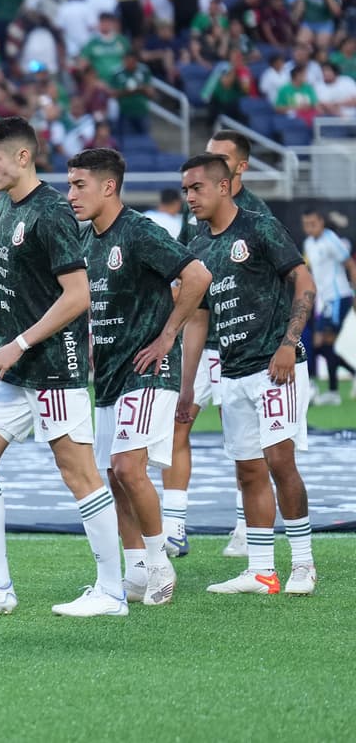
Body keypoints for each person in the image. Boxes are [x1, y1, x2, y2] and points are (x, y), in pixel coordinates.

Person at [0, 117, 125, 617]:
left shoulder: (52, 213)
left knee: (79, 473)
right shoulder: (7, 206)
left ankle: (112, 592)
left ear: (24, 157)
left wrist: (16, 343)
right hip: (11, 363)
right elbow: (18, 288)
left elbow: (77, 295)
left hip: (52, 364)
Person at [67, 148, 211, 606]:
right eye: (70, 185)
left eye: (79, 185)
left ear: (109, 186)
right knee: (115, 474)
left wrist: (168, 335)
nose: (71, 195)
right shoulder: (88, 241)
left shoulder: (140, 230)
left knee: (131, 467)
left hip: (148, 371)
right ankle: (134, 571)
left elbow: (198, 274)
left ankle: (160, 562)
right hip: (108, 374)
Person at [179, 153, 318, 596]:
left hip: (276, 367)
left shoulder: (259, 226)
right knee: (248, 471)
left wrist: (287, 344)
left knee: (280, 462)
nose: (190, 197)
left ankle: (303, 564)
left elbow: (304, 282)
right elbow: (198, 318)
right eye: (185, 190)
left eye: (197, 188)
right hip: (231, 371)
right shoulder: (198, 247)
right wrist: (187, 386)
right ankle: (261, 570)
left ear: (224, 186)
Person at [168, 129, 274, 558]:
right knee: (179, 420)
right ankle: (174, 526)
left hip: (241, 348)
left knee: (245, 441)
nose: (208, 163)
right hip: (200, 337)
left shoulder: (258, 218)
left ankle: (246, 526)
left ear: (240, 168)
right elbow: (182, 263)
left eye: (220, 158)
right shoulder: (195, 210)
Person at [302, 209, 355, 405]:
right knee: (321, 345)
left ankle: (332, 392)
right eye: (307, 224)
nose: (310, 228)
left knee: (323, 343)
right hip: (325, 302)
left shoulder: (331, 240)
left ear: (321, 222)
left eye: (313, 223)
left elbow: (350, 265)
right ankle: (346, 378)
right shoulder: (309, 244)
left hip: (339, 297)